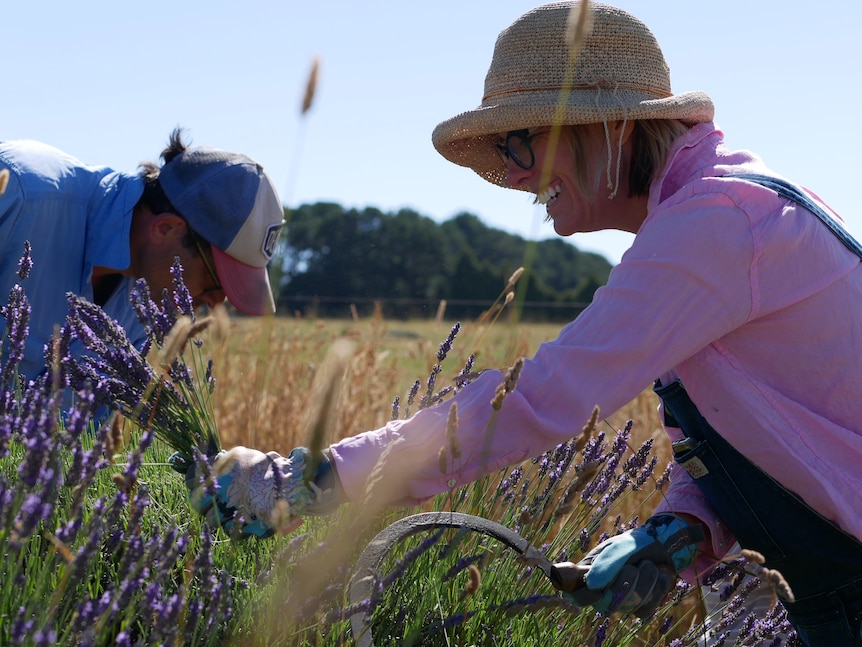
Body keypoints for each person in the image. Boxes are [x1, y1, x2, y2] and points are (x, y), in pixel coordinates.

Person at [186, 3, 862, 644]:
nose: (513, 178)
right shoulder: (711, 216)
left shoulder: (716, 223)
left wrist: (310, 480)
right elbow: (730, 433)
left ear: (602, 124)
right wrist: (678, 529)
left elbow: (538, 396)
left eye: (517, 144)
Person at [0, 129, 285, 382]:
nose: (214, 303)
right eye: (214, 282)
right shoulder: (20, 192)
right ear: (165, 229)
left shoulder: (143, 306)